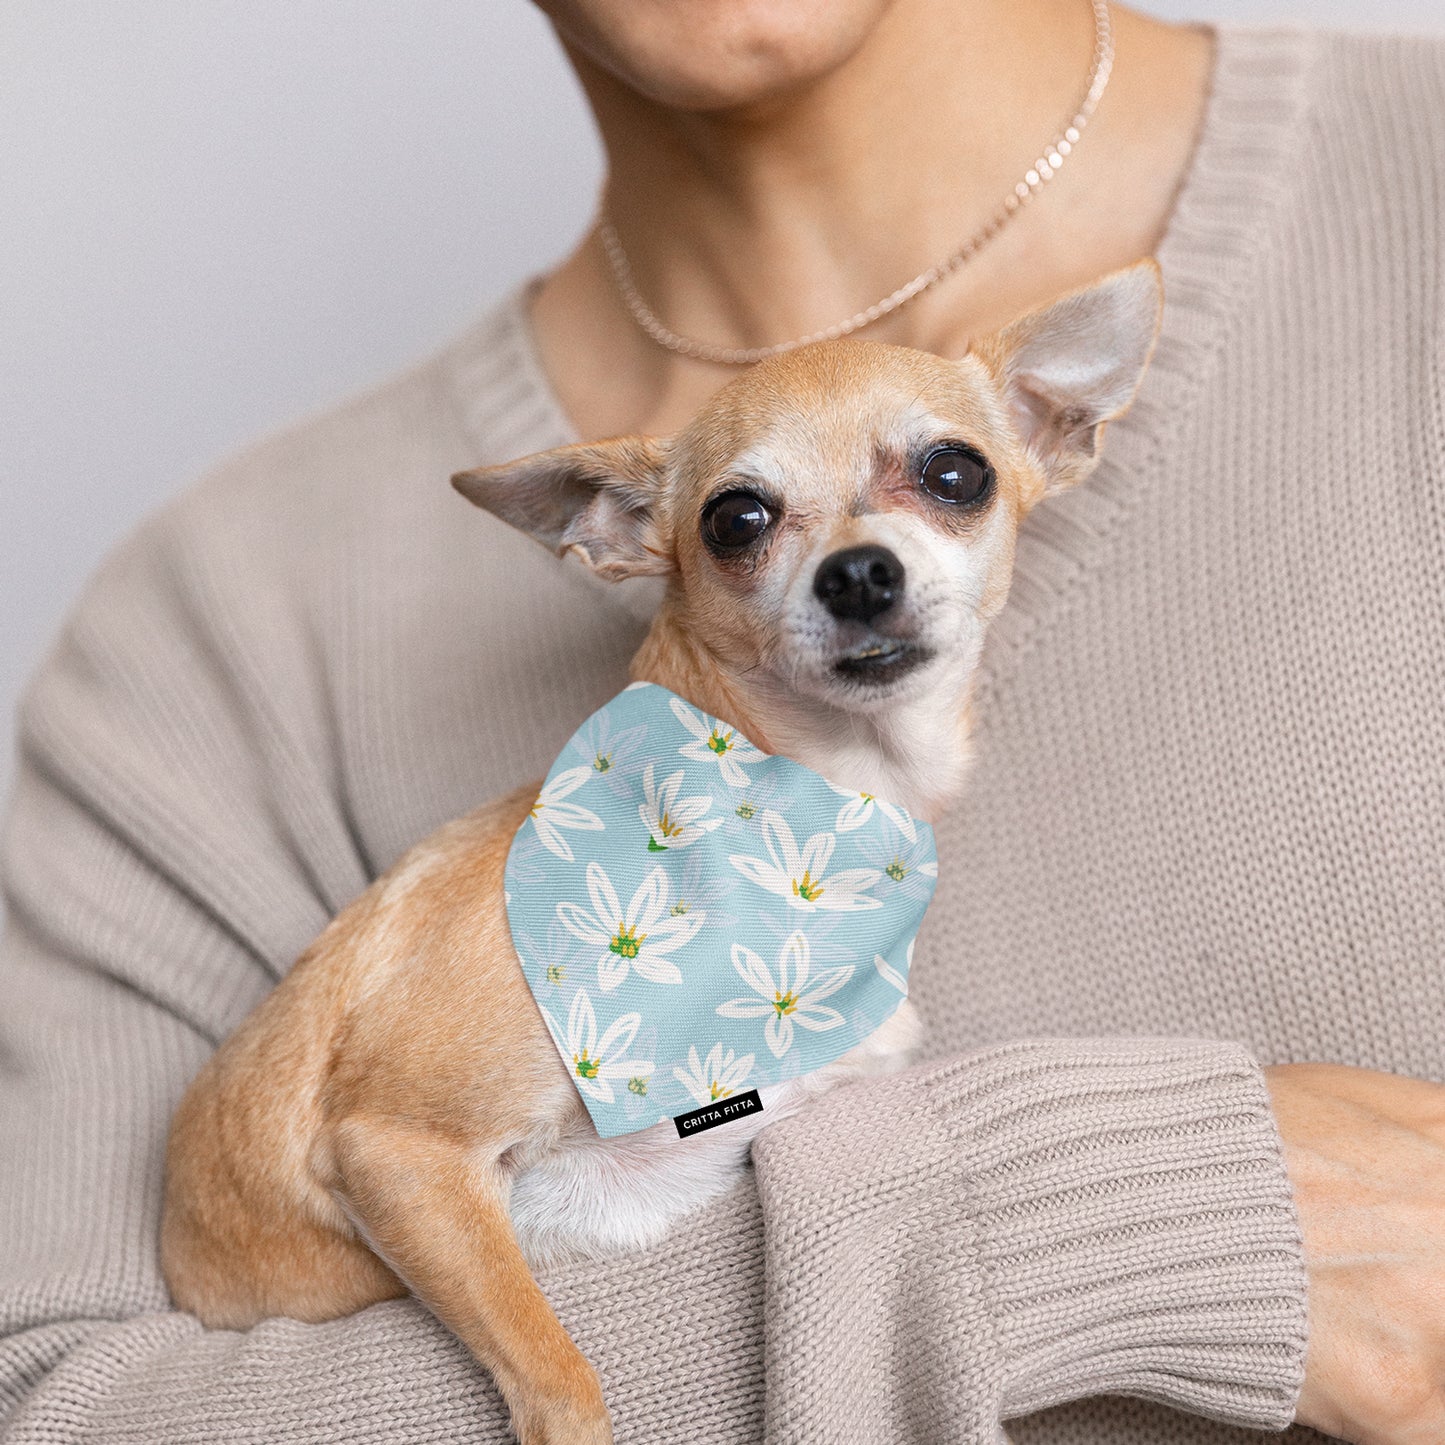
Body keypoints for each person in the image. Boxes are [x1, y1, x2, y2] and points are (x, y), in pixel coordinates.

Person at [2, 0, 1443, 1440]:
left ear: (1051, 426)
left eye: (939, 479)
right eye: (748, 519)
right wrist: (1052, 1227)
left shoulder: (1407, 193)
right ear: (634, 536)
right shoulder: (203, 636)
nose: (856, 558)